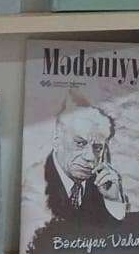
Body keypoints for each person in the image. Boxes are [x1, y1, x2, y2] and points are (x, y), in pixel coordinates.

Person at [43, 96, 129, 226]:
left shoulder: (102, 184)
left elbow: (113, 234)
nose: (91, 157)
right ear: (57, 141)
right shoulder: (36, 181)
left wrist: (113, 200)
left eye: (98, 148)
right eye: (80, 143)